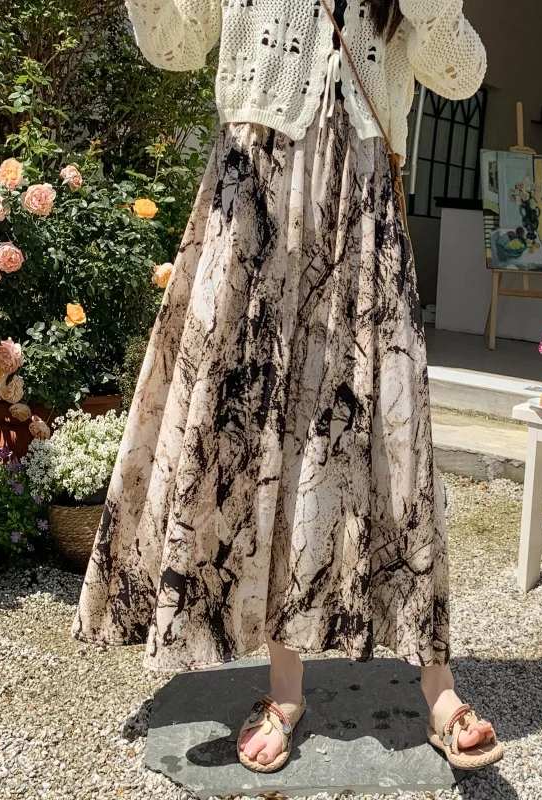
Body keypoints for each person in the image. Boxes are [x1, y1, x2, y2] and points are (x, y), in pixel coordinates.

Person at [73, 0, 502, 774]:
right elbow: (176, 45)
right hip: (255, 202)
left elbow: (463, 74)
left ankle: (437, 683)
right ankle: (285, 688)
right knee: (256, 432)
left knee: (394, 431)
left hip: (362, 208)